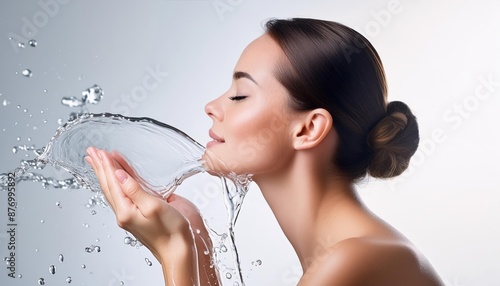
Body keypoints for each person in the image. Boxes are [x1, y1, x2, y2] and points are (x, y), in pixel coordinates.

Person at [85, 18, 444, 285]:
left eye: (240, 95)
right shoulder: (356, 252)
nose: (211, 106)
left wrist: (174, 251)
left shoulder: (356, 260)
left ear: (307, 129)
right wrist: (193, 235)